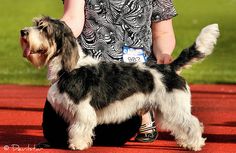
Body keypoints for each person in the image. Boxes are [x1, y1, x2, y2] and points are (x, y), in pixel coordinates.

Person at [60, 0, 177, 143]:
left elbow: (162, 32)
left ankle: (143, 110)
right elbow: (73, 18)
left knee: (113, 137)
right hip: (90, 78)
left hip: (132, 82)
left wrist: (163, 53)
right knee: (57, 135)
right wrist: (52, 35)